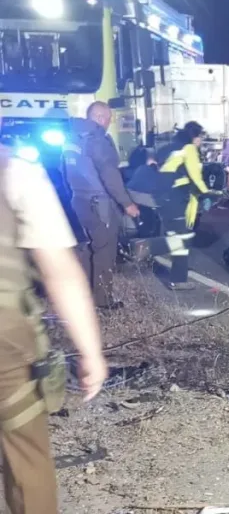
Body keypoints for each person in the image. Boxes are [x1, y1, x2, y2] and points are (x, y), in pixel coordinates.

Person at [0, 143, 107, 514]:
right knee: (27, 459)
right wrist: (91, 352)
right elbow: (59, 271)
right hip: (6, 346)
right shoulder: (16, 169)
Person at [62, 101, 140, 310]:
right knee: (105, 251)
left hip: (79, 200)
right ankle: (103, 301)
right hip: (100, 203)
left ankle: (86, 294)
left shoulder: (71, 137)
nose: (109, 122)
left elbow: (64, 171)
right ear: (99, 117)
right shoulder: (96, 138)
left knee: (89, 248)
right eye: (108, 118)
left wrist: (75, 194)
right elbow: (110, 175)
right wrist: (127, 203)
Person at [154, 121, 211, 290]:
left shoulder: (171, 147)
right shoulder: (189, 149)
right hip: (177, 197)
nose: (202, 140)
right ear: (195, 136)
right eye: (201, 137)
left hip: (165, 197)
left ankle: (179, 270)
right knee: (181, 238)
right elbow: (195, 175)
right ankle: (177, 279)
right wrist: (206, 193)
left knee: (175, 236)